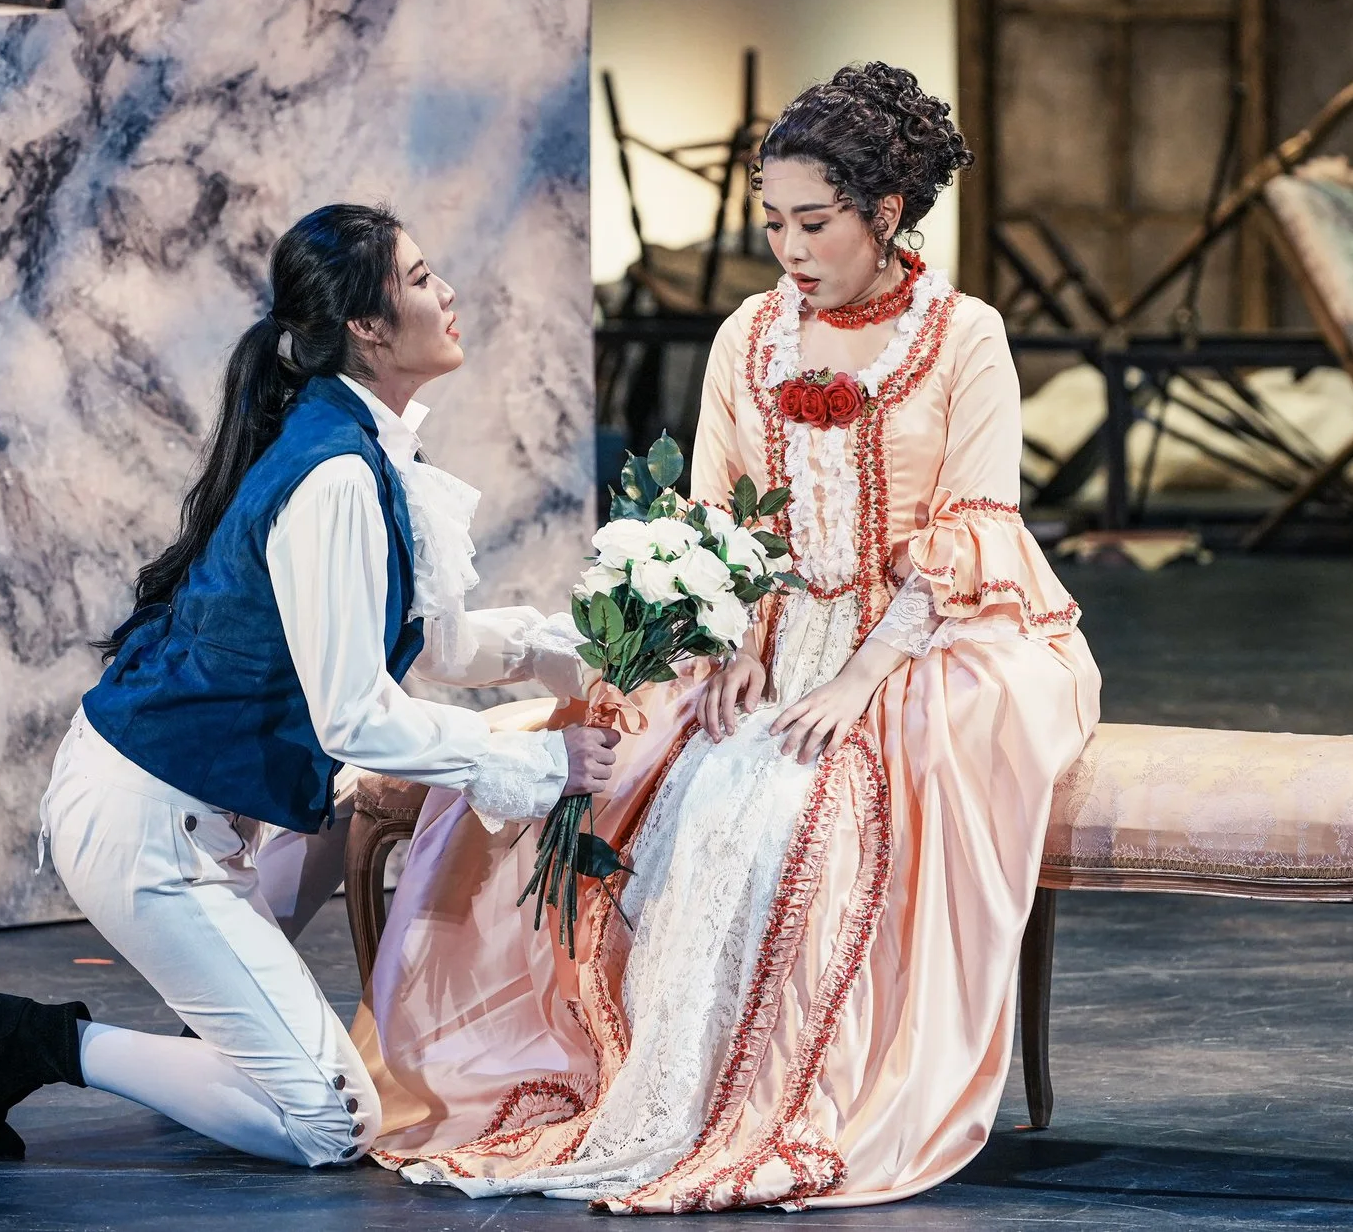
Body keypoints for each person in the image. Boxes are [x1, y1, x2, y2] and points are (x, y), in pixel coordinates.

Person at [360, 64, 1103, 1211]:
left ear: (886, 213)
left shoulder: (964, 337)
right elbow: (715, 513)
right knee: (660, 775)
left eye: (814, 223)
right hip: (775, 634)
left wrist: (860, 676)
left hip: (930, 634)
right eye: (773, 224)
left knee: (808, 801)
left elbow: (972, 529)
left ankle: (783, 1095)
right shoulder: (752, 334)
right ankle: (649, 1087)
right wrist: (734, 630)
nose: (789, 250)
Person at [0, 204, 620, 1166]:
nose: (448, 291)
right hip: (145, 824)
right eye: (422, 279)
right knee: (332, 1124)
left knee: (350, 822)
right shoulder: (335, 471)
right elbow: (353, 716)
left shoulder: (364, 444)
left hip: (210, 814)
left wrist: (568, 649)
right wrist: (535, 758)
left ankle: (236, 1039)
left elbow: (441, 644)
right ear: (368, 326)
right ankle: (38, 1040)